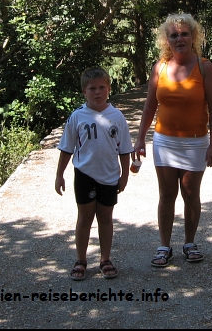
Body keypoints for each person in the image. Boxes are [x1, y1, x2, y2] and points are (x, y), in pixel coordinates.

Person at [133, 13, 212, 267]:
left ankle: (190, 242)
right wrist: (140, 139)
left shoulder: (205, 68)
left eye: (184, 34)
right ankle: (164, 246)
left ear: (193, 37)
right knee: (167, 194)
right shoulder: (159, 68)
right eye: (174, 35)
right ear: (166, 40)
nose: (179, 38)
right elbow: (149, 107)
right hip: (165, 141)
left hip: (195, 142)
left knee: (191, 194)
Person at [55, 67, 133, 281]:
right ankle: (81, 260)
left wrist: (124, 175)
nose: (97, 92)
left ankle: (105, 259)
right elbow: (67, 148)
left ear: (108, 88)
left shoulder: (117, 117)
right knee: (85, 219)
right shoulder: (77, 117)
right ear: (84, 92)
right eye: (92, 88)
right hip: (84, 174)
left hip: (109, 176)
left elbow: (125, 150)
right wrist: (59, 174)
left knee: (106, 219)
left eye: (101, 87)